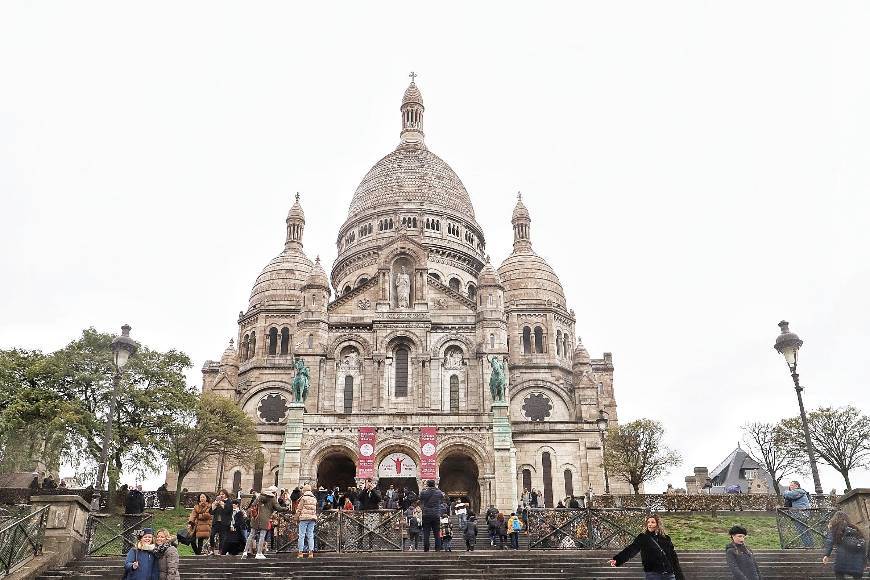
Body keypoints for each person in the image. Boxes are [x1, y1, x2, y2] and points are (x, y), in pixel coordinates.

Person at [609, 514, 685, 580]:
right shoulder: (643, 538)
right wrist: (618, 559)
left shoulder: (666, 538)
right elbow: (631, 549)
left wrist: (680, 577)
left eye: (652, 522)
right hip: (653, 574)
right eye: (648, 522)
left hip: (669, 575)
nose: (650, 524)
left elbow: (673, 558)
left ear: (658, 524)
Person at [242, 486, 288, 559]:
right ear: (274, 492)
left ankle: (245, 552)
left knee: (251, 535)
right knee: (262, 536)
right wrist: (286, 508)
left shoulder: (259, 497)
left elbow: (253, 505)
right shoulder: (272, 498)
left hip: (256, 518)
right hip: (265, 519)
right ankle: (259, 553)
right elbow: (278, 508)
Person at [823, 511, 868, 580]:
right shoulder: (856, 529)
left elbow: (830, 541)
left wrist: (826, 555)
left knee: (839, 574)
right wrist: (864, 562)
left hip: (842, 560)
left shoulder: (835, 529)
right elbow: (863, 547)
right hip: (857, 563)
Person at [783, 480, 814, 548]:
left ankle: (809, 546)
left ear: (797, 486)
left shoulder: (799, 491)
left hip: (800, 514)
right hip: (802, 514)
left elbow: (789, 495)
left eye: (791, 485)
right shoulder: (801, 492)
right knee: (805, 531)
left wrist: (785, 492)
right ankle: (810, 545)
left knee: (802, 531)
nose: (790, 487)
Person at [419, 480, 444, 552]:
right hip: (436, 514)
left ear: (427, 485)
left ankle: (426, 548)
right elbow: (442, 498)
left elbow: (420, 498)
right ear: (434, 484)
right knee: (437, 533)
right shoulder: (439, 492)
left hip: (426, 514)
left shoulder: (424, 492)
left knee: (426, 532)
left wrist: (424, 488)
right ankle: (438, 548)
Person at [295, 483, 318, 559]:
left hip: (304, 518)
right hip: (312, 518)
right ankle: (311, 552)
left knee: (301, 535)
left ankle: (300, 552)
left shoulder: (303, 498)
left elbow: (299, 509)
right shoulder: (314, 498)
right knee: (310, 535)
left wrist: (296, 517)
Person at [210, 490, 232, 556]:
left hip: (224, 523)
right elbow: (211, 512)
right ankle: (212, 550)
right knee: (212, 535)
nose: (221, 495)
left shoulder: (229, 502)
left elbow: (228, 511)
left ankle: (220, 551)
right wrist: (215, 504)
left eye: (223, 494)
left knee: (222, 538)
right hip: (216, 522)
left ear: (226, 495)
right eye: (220, 494)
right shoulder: (217, 501)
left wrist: (222, 504)